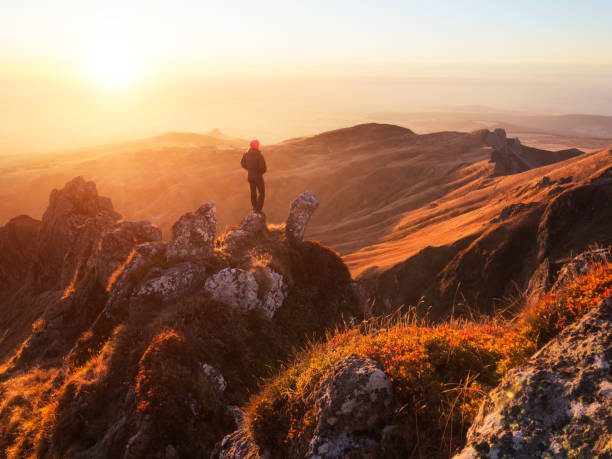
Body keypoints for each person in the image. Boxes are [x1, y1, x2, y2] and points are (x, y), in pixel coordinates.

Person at [241, 139, 267, 213]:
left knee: (253, 193)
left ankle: (254, 208)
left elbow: (242, 164)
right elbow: (263, 168)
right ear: (257, 146)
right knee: (261, 193)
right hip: (258, 177)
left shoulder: (246, 154)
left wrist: (249, 169)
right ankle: (258, 210)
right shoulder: (259, 155)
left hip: (250, 176)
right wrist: (259, 172)